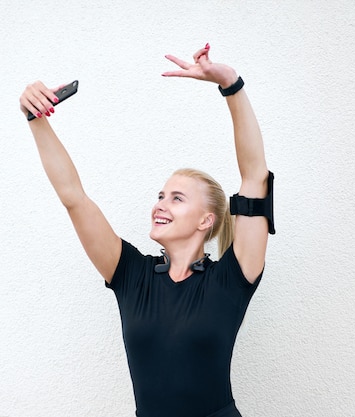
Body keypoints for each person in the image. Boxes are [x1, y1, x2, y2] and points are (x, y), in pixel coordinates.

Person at [19, 44, 274, 417]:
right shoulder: (131, 275)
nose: (160, 204)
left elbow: (254, 175)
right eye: (160, 195)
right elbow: (73, 197)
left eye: (177, 198)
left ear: (207, 220)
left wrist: (231, 86)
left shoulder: (232, 278)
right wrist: (35, 118)